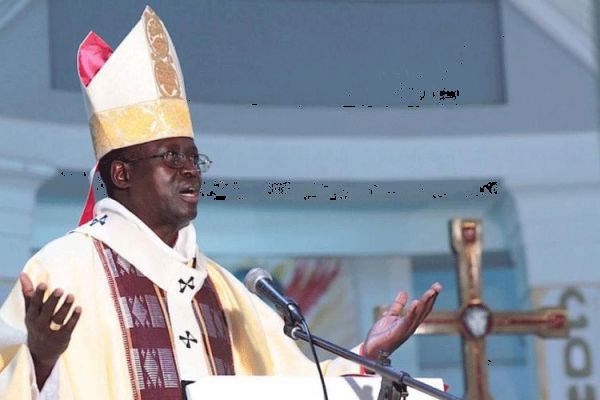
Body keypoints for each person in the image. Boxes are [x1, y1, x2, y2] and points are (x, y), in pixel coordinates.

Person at [0, 6, 441, 400]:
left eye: (194, 156)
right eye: (171, 156)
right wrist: (40, 359)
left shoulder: (224, 290)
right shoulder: (61, 272)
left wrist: (365, 354)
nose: (191, 169)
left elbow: (296, 387)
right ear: (121, 174)